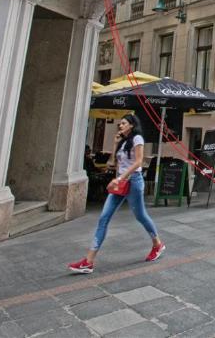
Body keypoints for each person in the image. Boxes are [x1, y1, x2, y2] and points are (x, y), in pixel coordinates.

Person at [68, 115, 164, 274]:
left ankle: (157, 244)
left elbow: (138, 162)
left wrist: (119, 178)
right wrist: (115, 145)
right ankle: (88, 261)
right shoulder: (122, 142)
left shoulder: (137, 138)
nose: (120, 125)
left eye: (124, 123)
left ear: (132, 125)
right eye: (120, 123)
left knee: (140, 216)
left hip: (133, 181)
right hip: (120, 183)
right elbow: (114, 163)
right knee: (104, 217)